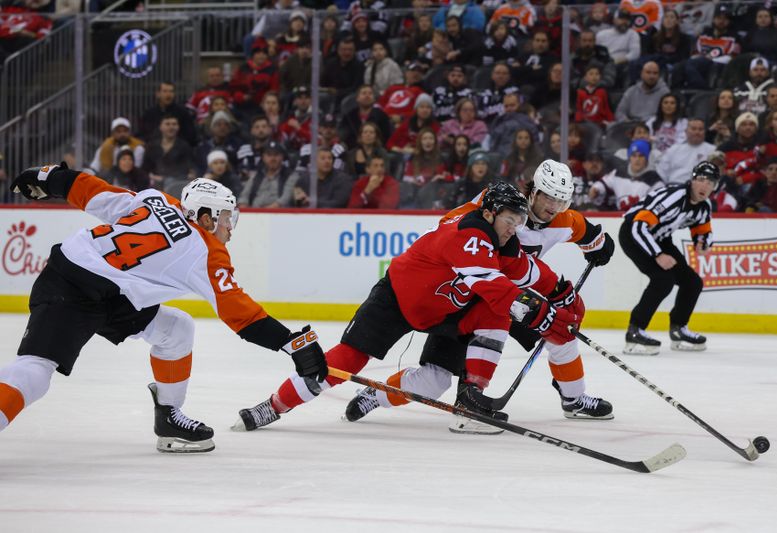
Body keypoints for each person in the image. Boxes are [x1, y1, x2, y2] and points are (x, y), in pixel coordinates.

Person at [1, 165, 327, 452]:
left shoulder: (156, 200)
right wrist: (292, 344)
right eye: (226, 218)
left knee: (176, 329)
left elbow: (92, 191)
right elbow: (239, 312)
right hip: (73, 286)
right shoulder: (208, 252)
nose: (230, 228)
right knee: (36, 370)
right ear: (205, 217)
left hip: (112, 292)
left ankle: (169, 417)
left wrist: (49, 176)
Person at [233, 182, 581, 432]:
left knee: (435, 381)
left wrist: (563, 293)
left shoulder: (501, 241)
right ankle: (274, 406)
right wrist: (544, 315)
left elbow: (530, 272)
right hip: (396, 299)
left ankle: (464, 398)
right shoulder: (469, 233)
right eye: (510, 220)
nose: (515, 229)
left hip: (445, 312)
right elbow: (494, 286)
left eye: (520, 223)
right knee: (346, 359)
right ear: (489, 212)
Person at [343, 162, 617, 429]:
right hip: (464, 299)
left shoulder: (564, 219)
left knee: (562, 330)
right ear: (534, 191)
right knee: (434, 380)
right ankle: (379, 395)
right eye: (549, 198)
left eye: (561, 201)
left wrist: (599, 246)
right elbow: (453, 227)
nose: (553, 207)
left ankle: (573, 399)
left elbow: (589, 234)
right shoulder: (499, 207)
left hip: (513, 299)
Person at [619, 161, 718, 355]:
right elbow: (638, 227)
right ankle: (635, 330)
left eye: (710, 182)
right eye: (701, 180)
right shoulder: (674, 197)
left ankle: (678, 329)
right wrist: (658, 254)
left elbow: (702, 230)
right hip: (633, 234)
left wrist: (702, 243)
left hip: (660, 237)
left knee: (692, 282)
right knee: (663, 280)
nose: (705, 186)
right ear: (692, 180)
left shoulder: (704, 206)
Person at [656, 118, 715, 185]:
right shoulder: (674, 149)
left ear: (704, 132)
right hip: (673, 186)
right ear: (686, 131)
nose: (697, 132)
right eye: (693, 129)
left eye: (700, 129)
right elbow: (662, 172)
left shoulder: (712, 150)